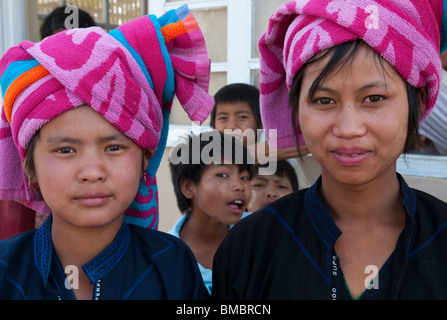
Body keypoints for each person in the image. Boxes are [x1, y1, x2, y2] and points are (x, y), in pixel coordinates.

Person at [212, 0, 447, 300]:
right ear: (295, 109)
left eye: (374, 98)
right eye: (324, 100)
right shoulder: (249, 247)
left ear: (420, 101)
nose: (348, 128)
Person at [0, 5, 213, 299]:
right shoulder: (5, 271)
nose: (92, 172)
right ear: (30, 167)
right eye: (65, 150)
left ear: (144, 160)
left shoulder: (173, 267)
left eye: (113, 147)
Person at [167, 131, 254, 294]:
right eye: (222, 175)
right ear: (188, 187)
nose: (239, 186)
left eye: (244, 177)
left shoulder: (261, 235)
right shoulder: (166, 256)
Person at [210, 83, 309, 163]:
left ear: (262, 122)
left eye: (242, 117)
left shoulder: (281, 160)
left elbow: (305, 141)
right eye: (223, 118)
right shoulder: (204, 156)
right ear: (213, 125)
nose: (231, 126)